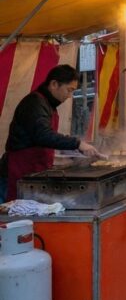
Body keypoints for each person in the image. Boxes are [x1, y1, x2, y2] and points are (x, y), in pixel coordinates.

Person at [0, 65, 102, 202]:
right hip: (18, 171)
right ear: (54, 84)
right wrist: (78, 143)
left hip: (34, 171)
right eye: (69, 90)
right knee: (15, 215)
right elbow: (43, 135)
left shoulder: (48, 104)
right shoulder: (34, 102)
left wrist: (69, 154)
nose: (70, 96)